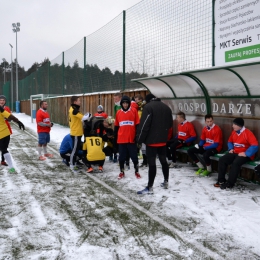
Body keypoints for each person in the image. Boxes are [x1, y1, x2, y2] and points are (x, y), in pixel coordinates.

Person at [136, 93, 173, 195]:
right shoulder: (166, 107)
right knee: (163, 161)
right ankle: (166, 181)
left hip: (151, 141)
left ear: (148, 100)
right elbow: (170, 124)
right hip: (163, 140)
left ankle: (150, 187)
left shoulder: (148, 107)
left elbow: (144, 125)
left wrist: (139, 140)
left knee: (152, 164)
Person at [214, 118, 258, 189]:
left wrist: (246, 153)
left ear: (240, 126)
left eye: (234, 124)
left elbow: (255, 145)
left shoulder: (247, 133)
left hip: (245, 155)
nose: (232, 126)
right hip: (235, 152)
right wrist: (231, 148)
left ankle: (230, 183)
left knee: (236, 163)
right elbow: (230, 141)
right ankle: (221, 180)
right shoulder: (234, 132)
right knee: (222, 159)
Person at [114, 95, 140, 179]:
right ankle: (122, 172)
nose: (125, 105)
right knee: (121, 157)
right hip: (121, 139)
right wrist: (115, 138)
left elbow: (137, 125)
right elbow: (116, 126)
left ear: (129, 103)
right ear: (121, 104)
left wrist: (137, 136)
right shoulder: (118, 112)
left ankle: (136, 171)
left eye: (126, 103)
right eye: (124, 103)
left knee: (134, 157)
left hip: (131, 138)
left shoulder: (134, 111)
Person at [0, 95, 25, 173]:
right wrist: (19, 122)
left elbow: (9, 117)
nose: (2, 101)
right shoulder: (1, 109)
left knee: (3, 150)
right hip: (5, 133)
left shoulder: (3, 109)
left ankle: (8, 165)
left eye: (3, 100)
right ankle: (11, 167)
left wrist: (18, 122)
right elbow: (10, 116)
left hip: (3, 133)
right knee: (4, 150)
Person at [68, 96, 90, 170]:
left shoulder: (75, 109)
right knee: (74, 150)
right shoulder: (74, 110)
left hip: (78, 133)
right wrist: (88, 115)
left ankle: (74, 163)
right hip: (76, 133)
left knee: (76, 149)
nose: (80, 102)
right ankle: (71, 165)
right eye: (79, 101)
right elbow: (83, 118)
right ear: (75, 102)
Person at [0, 96, 12, 166]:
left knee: (4, 147)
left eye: (3, 100)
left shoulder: (7, 108)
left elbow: (10, 119)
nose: (2, 101)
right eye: (1, 100)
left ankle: (3, 161)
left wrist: (6, 118)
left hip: (6, 130)